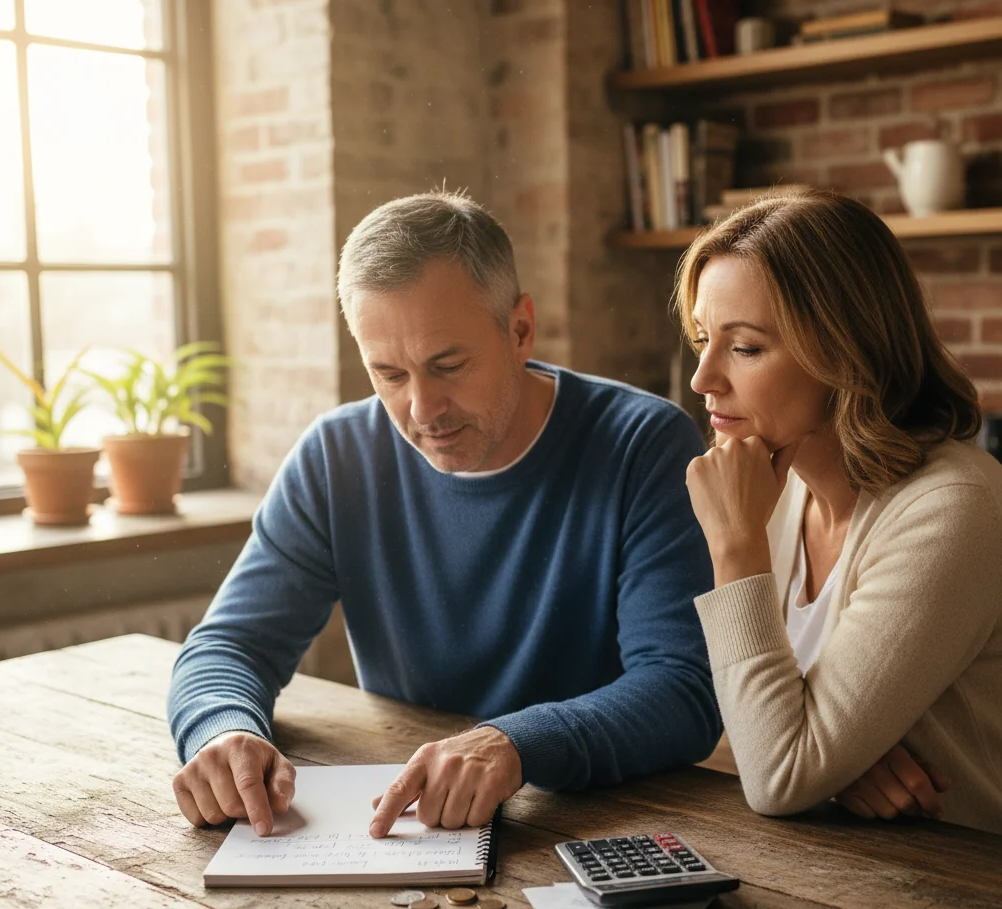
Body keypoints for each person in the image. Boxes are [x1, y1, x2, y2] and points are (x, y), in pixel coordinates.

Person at [168, 190, 719, 838]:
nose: (423, 409)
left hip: (599, 827)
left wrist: (513, 745)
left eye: (447, 365)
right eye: (389, 374)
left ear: (520, 329)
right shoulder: (336, 455)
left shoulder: (643, 444)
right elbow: (229, 646)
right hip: (406, 832)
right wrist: (223, 730)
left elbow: (684, 689)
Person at [681, 188, 1002, 835]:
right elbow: (748, 721)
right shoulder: (780, 480)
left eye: (744, 348)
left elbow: (778, 774)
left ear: (841, 351)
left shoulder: (950, 509)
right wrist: (831, 757)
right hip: (839, 864)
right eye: (702, 339)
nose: (703, 379)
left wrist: (735, 549)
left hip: (964, 885)